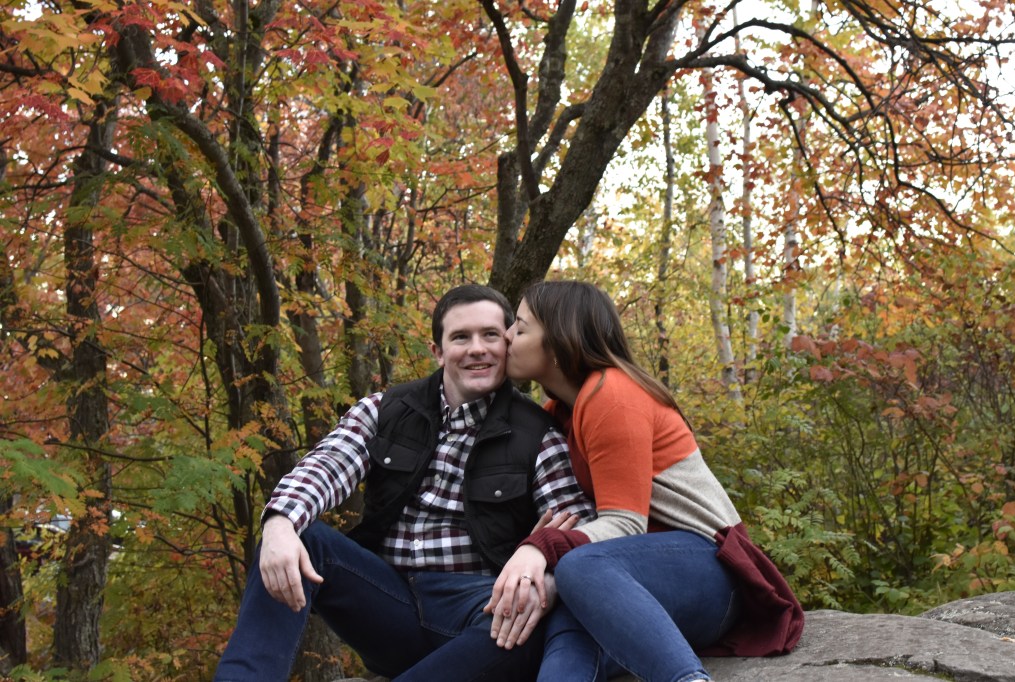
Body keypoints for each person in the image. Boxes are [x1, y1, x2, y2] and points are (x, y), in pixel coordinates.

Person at [215, 284, 595, 681]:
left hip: (477, 607)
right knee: (298, 537)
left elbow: (576, 528)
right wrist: (278, 523)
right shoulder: (385, 411)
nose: (477, 349)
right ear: (438, 351)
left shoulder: (539, 434)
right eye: (461, 337)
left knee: (531, 614)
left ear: (509, 343)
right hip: (387, 599)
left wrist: (546, 577)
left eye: (490, 336)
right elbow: (327, 466)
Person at [486, 280, 803, 682]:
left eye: (521, 326)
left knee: (579, 568)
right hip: (630, 583)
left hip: (710, 569)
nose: (507, 336)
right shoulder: (559, 412)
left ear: (561, 338)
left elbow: (624, 524)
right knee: (566, 650)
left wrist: (540, 547)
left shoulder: (612, 395)